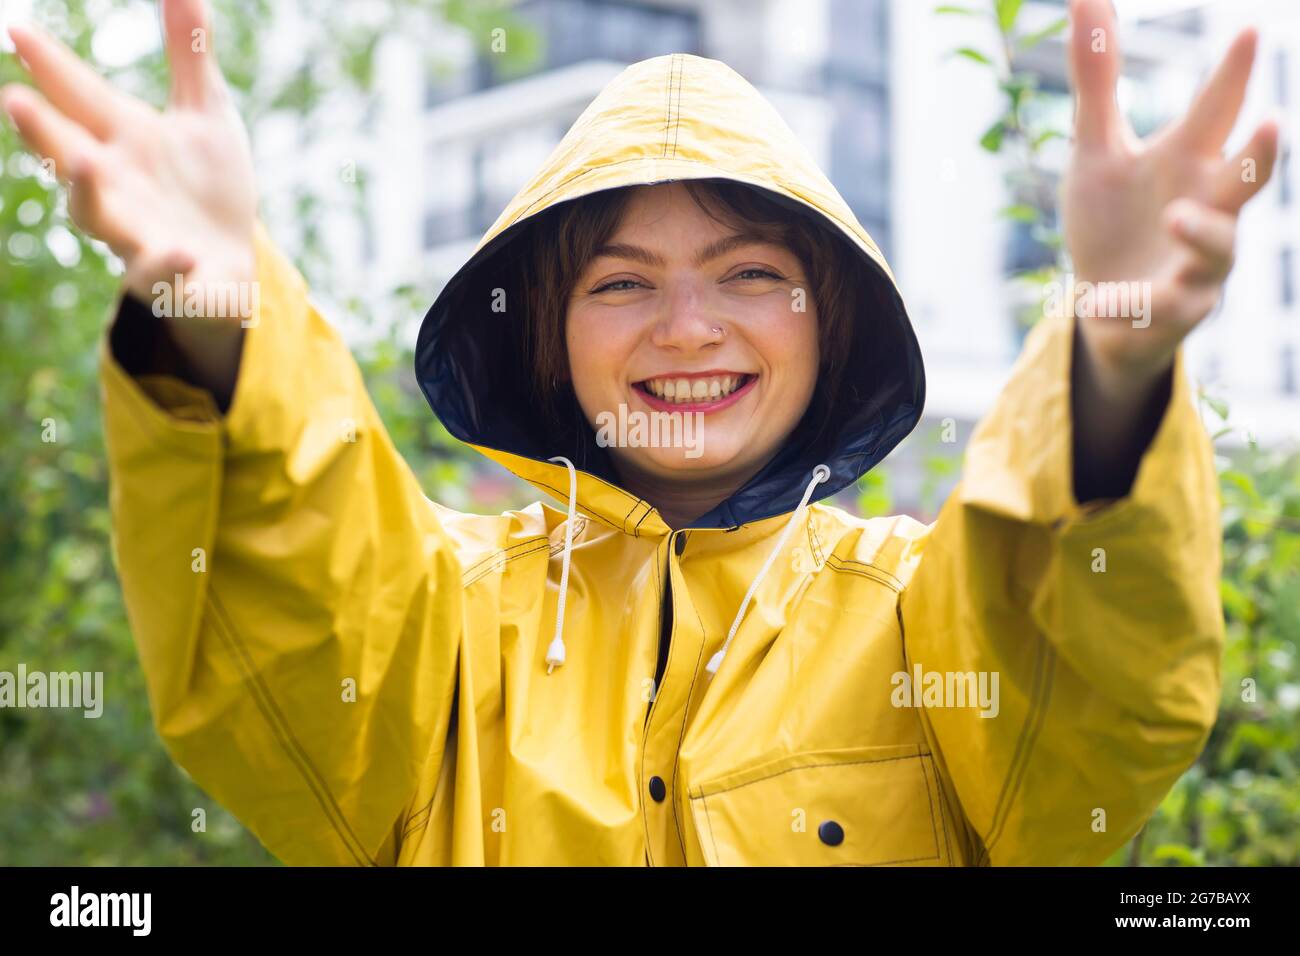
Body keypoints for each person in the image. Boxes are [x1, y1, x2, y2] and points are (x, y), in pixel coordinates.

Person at [2, 0, 1277, 865]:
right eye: (618, 283)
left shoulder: (916, 608)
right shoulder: (440, 615)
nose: (686, 328)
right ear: (545, 334)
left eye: (748, 274)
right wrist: (224, 316)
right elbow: (284, 605)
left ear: (828, 319)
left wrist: (1112, 357)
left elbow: (1103, 692)